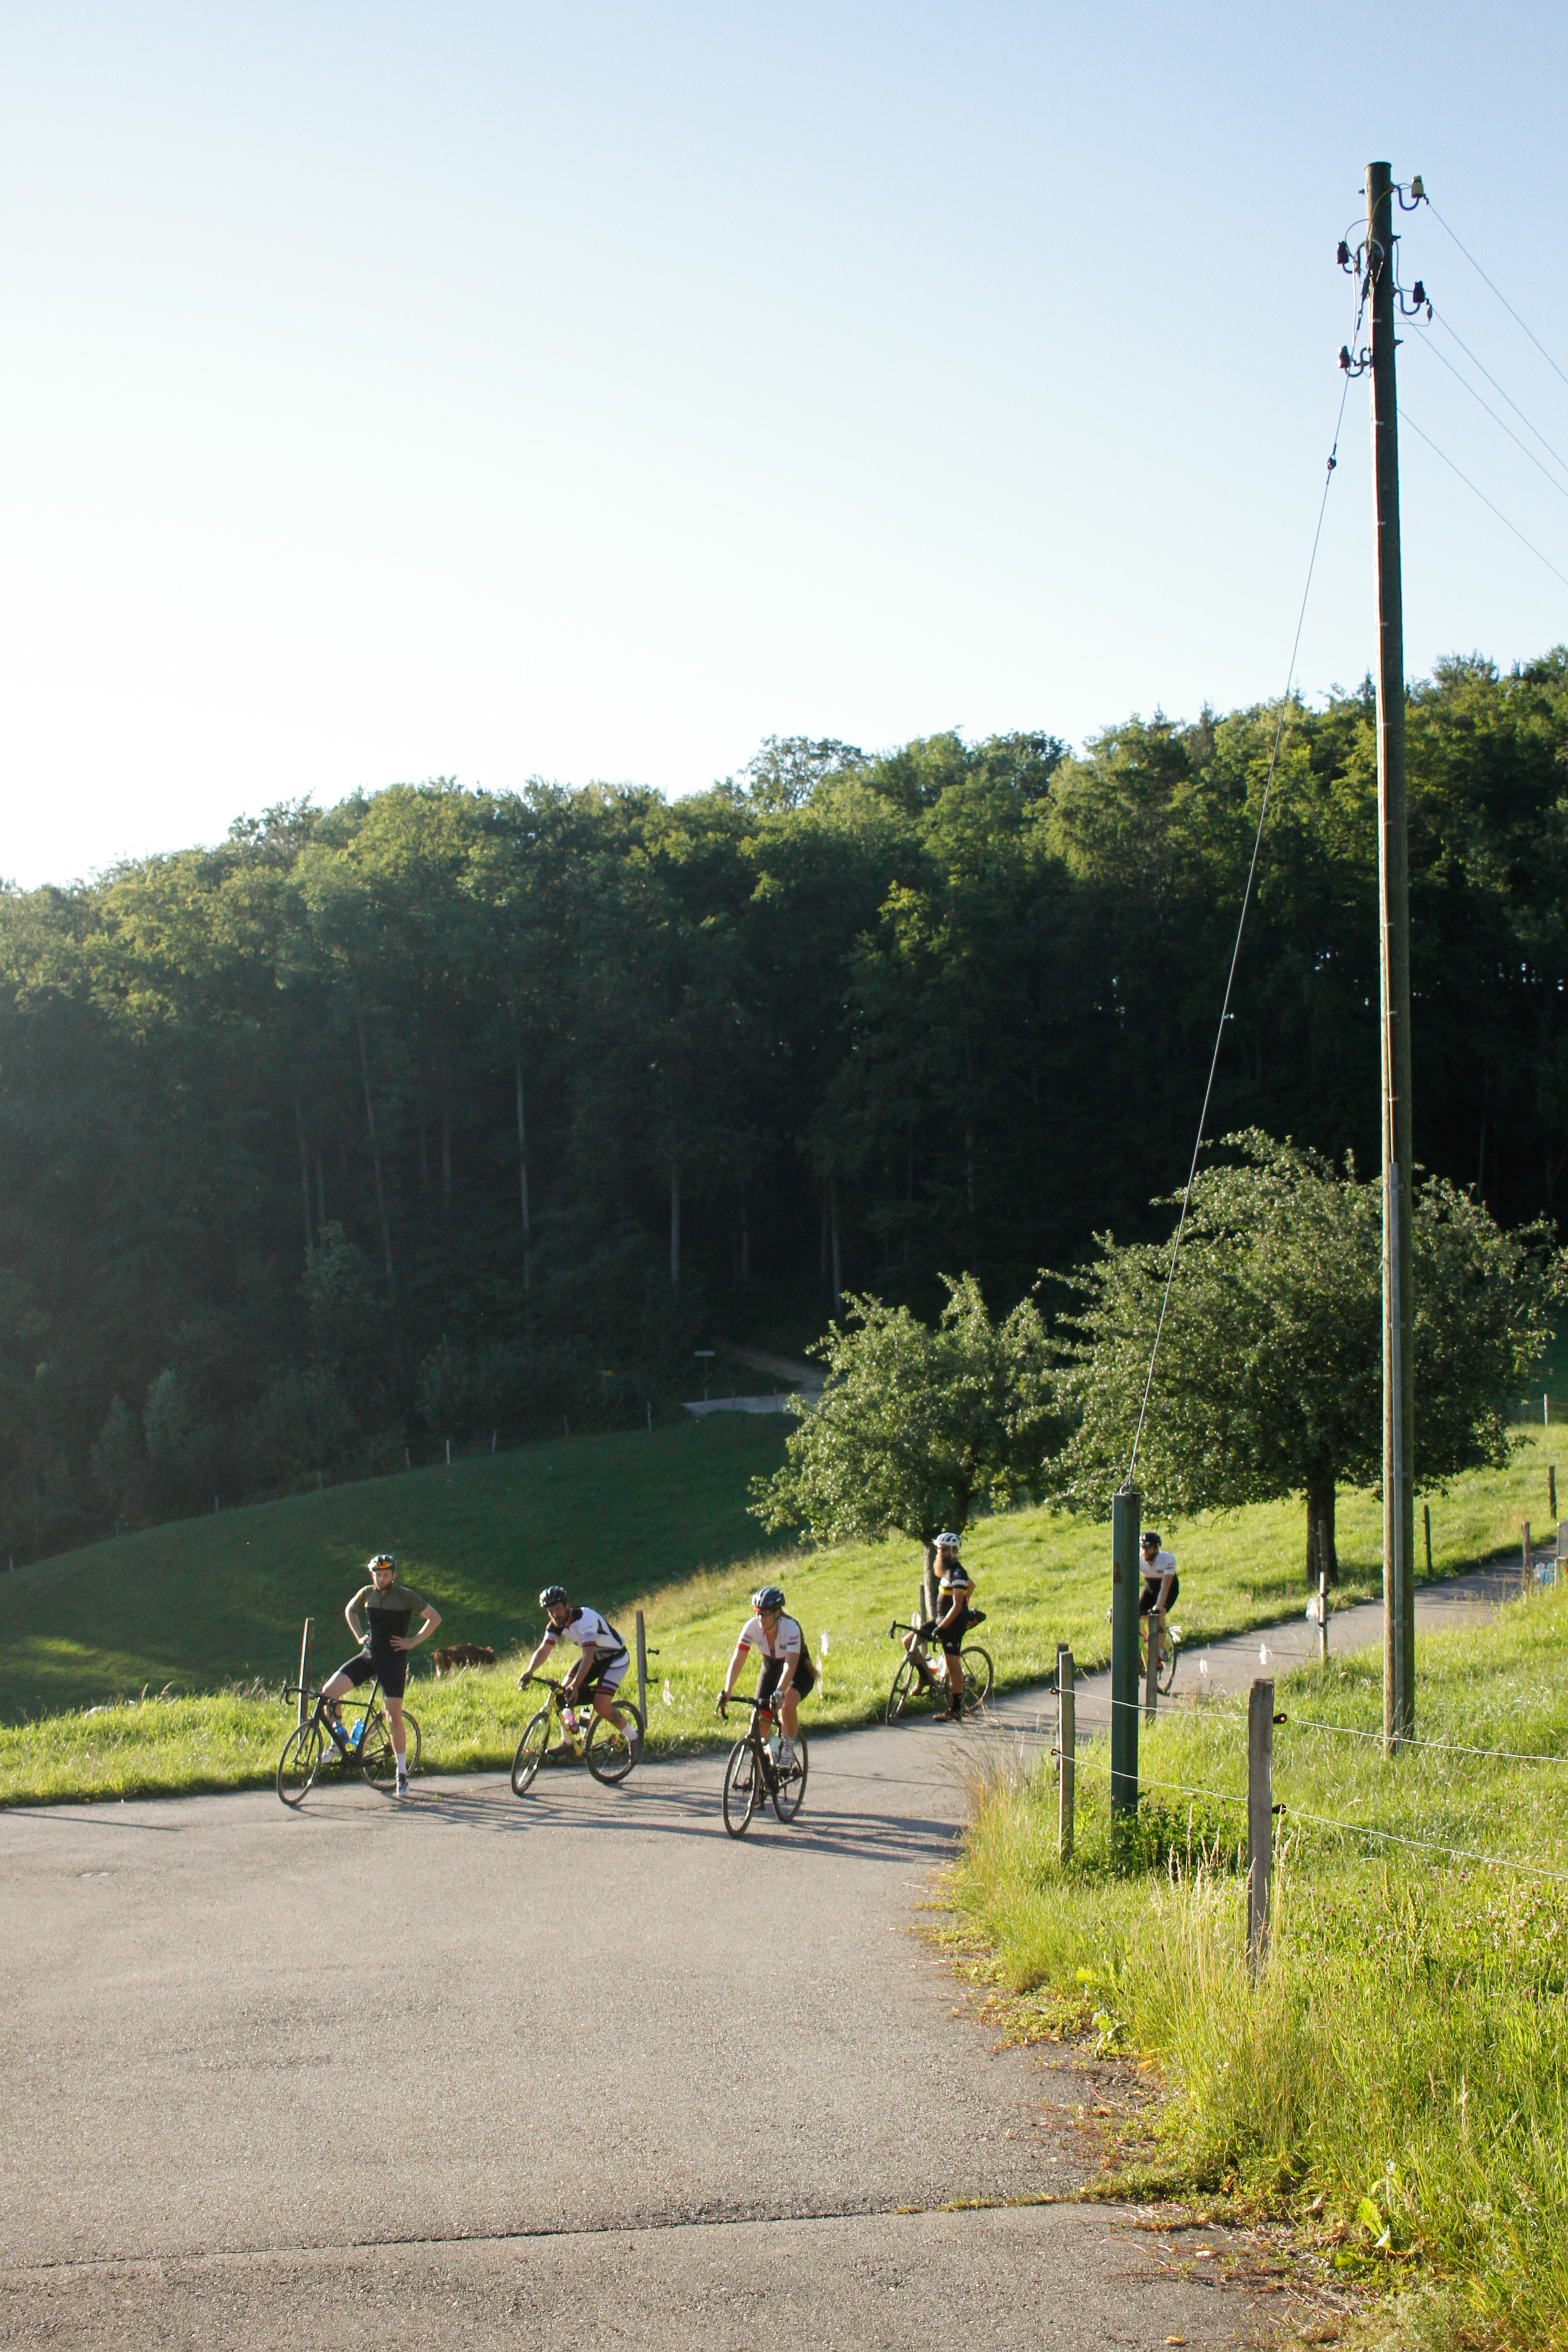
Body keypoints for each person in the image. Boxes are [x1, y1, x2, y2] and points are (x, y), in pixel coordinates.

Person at [322, 1553, 441, 1796]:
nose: (382, 1578)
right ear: (373, 1575)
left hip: (393, 1660)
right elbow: (350, 1610)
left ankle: (402, 1775)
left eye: (386, 1574)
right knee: (328, 1693)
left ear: (394, 1575)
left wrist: (414, 1641)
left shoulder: (405, 1596)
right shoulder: (367, 1593)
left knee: (393, 1717)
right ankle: (338, 1741)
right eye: (378, 1574)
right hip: (369, 1655)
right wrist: (359, 1636)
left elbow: (435, 1618)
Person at [520, 1586, 641, 1758]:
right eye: (551, 1611)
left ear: (567, 1605)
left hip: (615, 1658)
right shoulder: (556, 1625)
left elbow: (588, 1656)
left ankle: (633, 1737)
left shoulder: (586, 1620)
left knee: (600, 1704)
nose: (555, 1614)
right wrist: (529, 1671)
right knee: (561, 1694)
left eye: (559, 1609)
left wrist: (576, 1685)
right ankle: (568, 1743)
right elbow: (544, 1650)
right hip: (596, 1657)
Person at [716, 1585, 815, 1768]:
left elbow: (790, 1666)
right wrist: (728, 1690)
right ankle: (768, 1759)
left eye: (765, 1614)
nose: (760, 1618)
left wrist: (779, 1693)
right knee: (759, 1718)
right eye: (757, 1613)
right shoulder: (751, 1627)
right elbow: (738, 1660)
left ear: (778, 1613)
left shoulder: (791, 1628)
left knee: (788, 1701)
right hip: (771, 1669)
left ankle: (787, 1749)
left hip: (798, 1671)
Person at [902, 1533, 975, 1721]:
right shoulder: (946, 1570)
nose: (940, 1553)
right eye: (939, 1549)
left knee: (952, 1664)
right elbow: (972, 1585)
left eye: (944, 1549)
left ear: (954, 1551)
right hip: (941, 1620)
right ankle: (925, 1677)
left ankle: (956, 1708)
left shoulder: (958, 1573)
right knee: (909, 1641)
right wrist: (940, 1623)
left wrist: (943, 1627)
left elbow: (958, 1606)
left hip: (953, 1625)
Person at [1138, 1530, 1179, 1677]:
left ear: (1156, 1549)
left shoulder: (1167, 1559)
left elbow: (1166, 1586)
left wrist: (1158, 1607)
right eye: (1143, 1548)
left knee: (1159, 1613)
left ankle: (1161, 1650)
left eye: (1148, 1548)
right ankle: (1145, 1643)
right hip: (1150, 1588)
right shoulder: (1138, 1559)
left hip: (1167, 1589)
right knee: (1137, 1617)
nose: (1144, 1552)